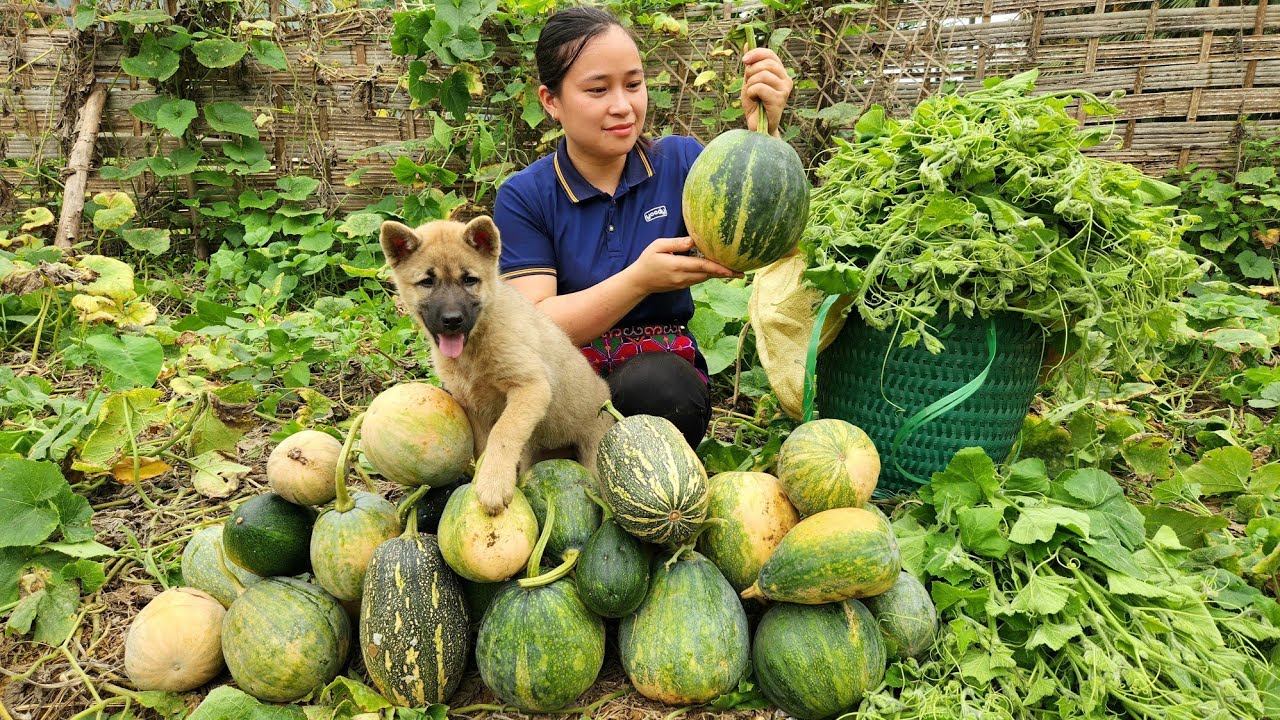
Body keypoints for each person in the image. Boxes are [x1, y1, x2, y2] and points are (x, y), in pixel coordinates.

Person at [493, 6, 793, 449]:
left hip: (659, 381)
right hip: (564, 385)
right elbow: (534, 326)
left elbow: (766, 238)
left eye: (633, 84)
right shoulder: (526, 195)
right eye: (598, 89)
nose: (623, 106)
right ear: (550, 101)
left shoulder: (683, 164)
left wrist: (763, 139)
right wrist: (638, 281)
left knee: (662, 386)